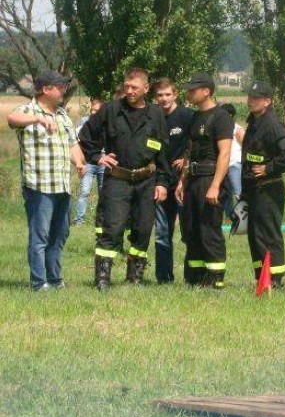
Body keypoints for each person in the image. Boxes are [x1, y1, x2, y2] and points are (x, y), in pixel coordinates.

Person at [79, 68, 169, 290]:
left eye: (134, 87)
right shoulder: (111, 110)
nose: (129, 91)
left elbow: (162, 151)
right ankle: (102, 277)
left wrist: (162, 182)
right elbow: (85, 135)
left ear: (146, 89)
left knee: (143, 228)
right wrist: (97, 156)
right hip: (117, 180)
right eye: (127, 86)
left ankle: (135, 275)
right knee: (112, 227)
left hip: (146, 181)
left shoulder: (156, 114)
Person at [8, 70, 85, 290]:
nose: (63, 90)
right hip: (39, 187)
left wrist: (79, 162)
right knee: (40, 236)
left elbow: (72, 145)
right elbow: (11, 119)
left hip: (62, 185)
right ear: (45, 89)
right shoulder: (27, 110)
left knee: (59, 236)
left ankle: (54, 278)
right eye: (59, 86)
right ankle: (38, 281)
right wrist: (38, 119)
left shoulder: (62, 115)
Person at [240, 80, 285, 286]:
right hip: (254, 190)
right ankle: (262, 278)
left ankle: (275, 280)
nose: (251, 101)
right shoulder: (255, 122)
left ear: (267, 101)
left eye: (256, 98)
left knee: (269, 235)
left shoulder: (272, 125)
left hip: (269, 190)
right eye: (249, 97)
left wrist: (268, 168)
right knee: (256, 236)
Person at [175, 72, 234, 288]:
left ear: (206, 91)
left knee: (209, 229)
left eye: (193, 89)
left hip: (210, 178)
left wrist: (216, 186)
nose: (189, 93)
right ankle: (195, 277)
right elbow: (189, 151)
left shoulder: (220, 117)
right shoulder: (194, 117)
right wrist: (182, 180)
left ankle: (215, 278)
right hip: (193, 178)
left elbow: (225, 153)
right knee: (191, 229)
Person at [151, 77, 194, 283]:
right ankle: (164, 277)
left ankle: (192, 275)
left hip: (184, 182)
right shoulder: (153, 117)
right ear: (155, 97)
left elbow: (196, 142)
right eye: (160, 95)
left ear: (175, 95)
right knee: (162, 233)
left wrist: (186, 158)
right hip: (161, 183)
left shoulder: (187, 116)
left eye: (168, 94)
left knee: (188, 231)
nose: (164, 99)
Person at [72, 99, 106, 225]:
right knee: (85, 192)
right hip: (88, 162)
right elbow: (75, 143)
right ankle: (79, 220)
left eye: (97, 110)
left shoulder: (108, 123)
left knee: (104, 193)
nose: (93, 112)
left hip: (104, 162)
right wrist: (79, 162)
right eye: (92, 109)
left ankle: (102, 220)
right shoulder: (84, 124)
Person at [220, 103, 244, 219]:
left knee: (237, 192)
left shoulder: (237, 128)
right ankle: (231, 216)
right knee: (225, 192)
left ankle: (243, 216)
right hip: (223, 165)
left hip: (234, 163)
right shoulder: (219, 129)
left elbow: (245, 145)